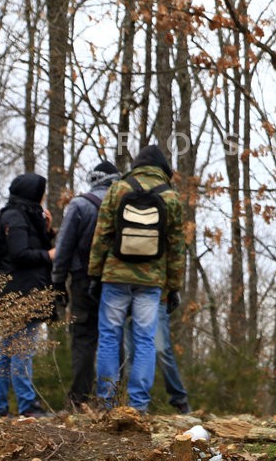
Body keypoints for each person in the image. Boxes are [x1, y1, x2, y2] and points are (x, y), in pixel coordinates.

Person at [87, 145, 185, 413]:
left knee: (109, 337)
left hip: (115, 276)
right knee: (145, 340)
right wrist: (173, 287)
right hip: (151, 281)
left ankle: (107, 404)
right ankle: (138, 407)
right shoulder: (171, 197)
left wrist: (94, 275)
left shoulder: (118, 189)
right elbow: (177, 247)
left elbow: (102, 234)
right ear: (164, 169)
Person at [51, 160, 120, 409]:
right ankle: (113, 399)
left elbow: (64, 247)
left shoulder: (80, 205)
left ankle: (79, 400)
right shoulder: (124, 205)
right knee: (114, 337)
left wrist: (58, 282)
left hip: (82, 280)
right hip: (118, 281)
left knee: (83, 337)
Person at [0, 173, 57, 418]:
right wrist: (49, 254)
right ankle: (28, 406)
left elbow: (26, 247)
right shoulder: (16, 218)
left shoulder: (20, 215)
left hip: (18, 291)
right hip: (21, 294)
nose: (44, 196)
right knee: (21, 351)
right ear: (33, 193)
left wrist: (46, 231)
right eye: (42, 191)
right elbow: (20, 254)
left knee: (7, 352)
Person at [124, 291, 190, 414]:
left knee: (161, 350)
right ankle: (135, 405)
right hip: (127, 297)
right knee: (130, 355)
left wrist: (174, 290)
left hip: (158, 296)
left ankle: (180, 399)